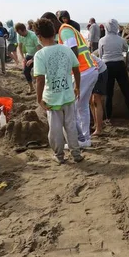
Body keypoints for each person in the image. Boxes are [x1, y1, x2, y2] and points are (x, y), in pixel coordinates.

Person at [32, 18, 83, 164]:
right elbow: (76, 69)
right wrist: (77, 86)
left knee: (55, 130)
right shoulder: (66, 49)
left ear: (39, 36)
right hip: (68, 95)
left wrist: (39, 98)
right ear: (54, 33)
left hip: (52, 98)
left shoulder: (40, 55)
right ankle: (76, 153)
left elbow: (40, 79)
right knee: (71, 126)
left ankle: (59, 156)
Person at [53, 11, 99, 147]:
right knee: (82, 106)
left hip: (83, 71)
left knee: (71, 108)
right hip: (89, 69)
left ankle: (79, 140)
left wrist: (66, 71)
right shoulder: (67, 29)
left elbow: (72, 50)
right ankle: (85, 138)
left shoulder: (64, 30)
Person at [99, 19, 129, 120]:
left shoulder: (102, 40)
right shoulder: (120, 39)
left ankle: (108, 118)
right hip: (120, 65)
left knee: (109, 94)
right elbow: (127, 49)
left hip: (107, 66)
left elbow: (101, 55)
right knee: (126, 92)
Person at [16, 22, 42, 94]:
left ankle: (40, 88)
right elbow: (20, 47)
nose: (20, 35)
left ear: (24, 30)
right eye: (19, 34)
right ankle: (31, 87)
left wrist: (32, 60)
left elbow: (39, 50)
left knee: (37, 73)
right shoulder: (19, 35)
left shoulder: (33, 36)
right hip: (29, 54)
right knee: (25, 71)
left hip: (38, 55)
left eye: (21, 33)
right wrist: (23, 58)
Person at [90, 54, 108, 136]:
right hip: (90, 71)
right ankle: (96, 123)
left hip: (99, 71)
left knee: (96, 99)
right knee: (90, 100)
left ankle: (99, 128)